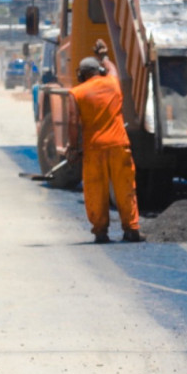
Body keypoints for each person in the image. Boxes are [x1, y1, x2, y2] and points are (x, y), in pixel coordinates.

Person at [68, 39, 142, 244]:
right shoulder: (112, 82)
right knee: (126, 187)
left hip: (94, 149)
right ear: (99, 71)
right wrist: (104, 55)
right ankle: (132, 229)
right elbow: (113, 69)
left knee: (95, 190)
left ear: (82, 75)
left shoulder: (77, 93)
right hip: (119, 145)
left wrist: (73, 148)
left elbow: (73, 124)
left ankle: (101, 232)